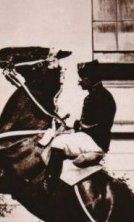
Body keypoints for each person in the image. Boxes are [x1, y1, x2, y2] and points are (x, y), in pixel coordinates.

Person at [44, 60, 117, 193]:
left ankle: (50, 184)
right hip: (89, 138)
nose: (79, 82)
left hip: (96, 141)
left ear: (90, 79)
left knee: (58, 142)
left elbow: (96, 125)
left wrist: (75, 124)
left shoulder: (102, 97)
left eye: (82, 78)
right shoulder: (95, 95)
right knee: (61, 137)